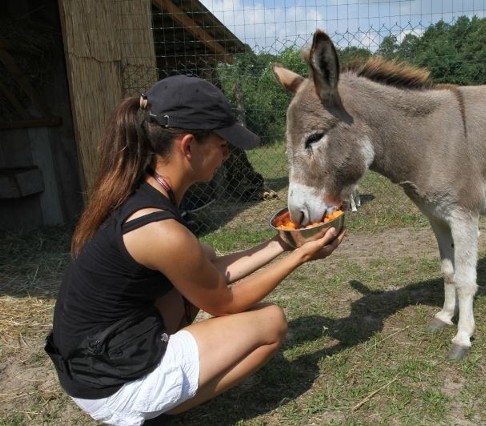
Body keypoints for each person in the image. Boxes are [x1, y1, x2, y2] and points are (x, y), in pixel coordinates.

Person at [44, 74, 346, 425]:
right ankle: (157, 410)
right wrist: (299, 256)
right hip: (108, 385)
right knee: (272, 322)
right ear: (188, 146)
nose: (226, 153)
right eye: (222, 144)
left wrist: (281, 242)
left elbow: (211, 273)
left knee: (203, 255)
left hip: (94, 360)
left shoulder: (142, 195)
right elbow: (224, 302)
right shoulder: (160, 231)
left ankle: (158, 395)